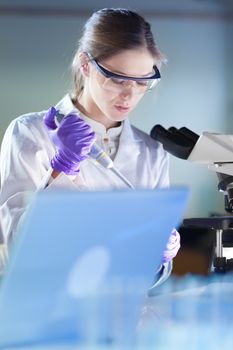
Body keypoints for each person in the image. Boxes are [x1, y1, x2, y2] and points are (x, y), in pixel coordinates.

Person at [0, 8, 180, 286]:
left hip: (122, 315)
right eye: (118, 79)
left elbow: (150, 278)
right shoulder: (29, 133)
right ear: (86, 65)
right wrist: (62, 171)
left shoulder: (151, 152)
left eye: (143, 82)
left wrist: (158, 259)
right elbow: (15, 249)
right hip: (42, 314)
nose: (130, 94)